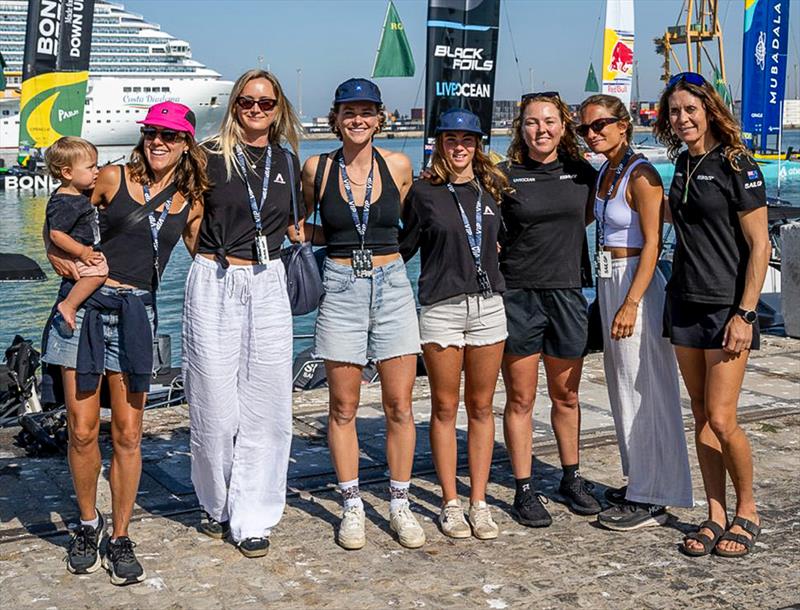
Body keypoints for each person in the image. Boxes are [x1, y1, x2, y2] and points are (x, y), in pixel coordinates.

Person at [43, 101, 207, 585]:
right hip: (86, 310)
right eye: (153, 132)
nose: (159, 142)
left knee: (129, 435)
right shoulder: (111, 177)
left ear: (185, 144)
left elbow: (206, 250)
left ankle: (120, 536)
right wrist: (57, 256)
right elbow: (62, 214)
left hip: (138, 314)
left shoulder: (189, 199)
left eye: (170, 136)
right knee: (82, 429)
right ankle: (87, 525)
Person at [184, 69, 302, 559]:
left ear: (278, 110)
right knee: (212, 401)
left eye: (265, 103)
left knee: (269, 404)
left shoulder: (289, 161)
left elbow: (294, 224)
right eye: (247, 102)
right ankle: (216, 504)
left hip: (268, 281)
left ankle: (255, 513)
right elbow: (190, 222)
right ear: (234, 106)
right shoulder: (208, 156)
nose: (256, 110)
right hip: (214, 279)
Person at [301, 78, 422, 550]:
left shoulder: (399, 165)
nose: (358, 119)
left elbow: (414, 224)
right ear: (335, 116)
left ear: (380, 117)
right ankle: (351, 505)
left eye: (367, 111)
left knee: (399, 405)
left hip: (392, 287)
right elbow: (300, 224)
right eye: (349, 111)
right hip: (339, 285)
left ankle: (399, 503)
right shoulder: (318, 167)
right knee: (344, 406)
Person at [653, 73, 769, 557]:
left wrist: (745, 314)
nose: (682, 119)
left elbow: (760, 245)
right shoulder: (683, 163)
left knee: (722, 418)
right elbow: (669, 217)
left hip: (727, 309)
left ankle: (748, 510)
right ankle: (715, 512)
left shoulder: (736, 162)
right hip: (684, 302)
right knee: (699, 414)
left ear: (709, 109)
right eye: (674, 112)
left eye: (690, 109)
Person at [578, 94, 693, 531]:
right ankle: (640, 481)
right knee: (622, 385)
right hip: (610, 279)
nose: (593, 133)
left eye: (601, 124)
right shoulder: (607, 171)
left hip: (635, 282)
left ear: (623, 124)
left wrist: (631, 302)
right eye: (585, 128)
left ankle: (654, 496)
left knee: (647, 386)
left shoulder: (641, 174)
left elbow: (653, 243)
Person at [400, 109, 508, 540]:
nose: (459, 147)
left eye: (468, 139)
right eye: (451, 140)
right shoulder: (425, 193)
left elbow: (514, 236)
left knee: (481, 408)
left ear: (478, 144)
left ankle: (479, 503)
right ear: (440, 144)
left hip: (488, 307)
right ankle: (449, 503)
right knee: (445, 408)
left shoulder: (494, 188)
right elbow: (401, 246)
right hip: (441, 308)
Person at [497, 92, 601, 527]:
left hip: (567, 294)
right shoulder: (502, 176)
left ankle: (571, 478)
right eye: (532, 123)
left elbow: (594, 217)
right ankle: (524, 488)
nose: (541, 129)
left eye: (550, 122)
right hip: (518, 296)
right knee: (521, 398)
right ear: (520, 130)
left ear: (564, 127)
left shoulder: (582, 173)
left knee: (567, 395)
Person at [44, 137, 108, 335]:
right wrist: (82, 252)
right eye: (91, 167)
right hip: (76, 253)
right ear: (67, 173)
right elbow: (56, 234)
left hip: (83, 250)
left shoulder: (78, 195)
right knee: (99, 273)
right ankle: (69, 305)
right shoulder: (66, 202)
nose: (97, 171)